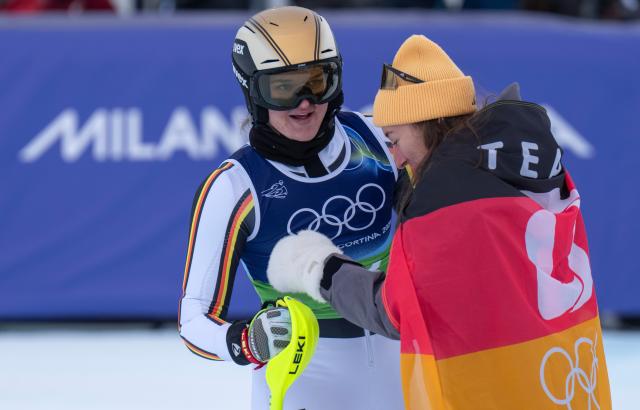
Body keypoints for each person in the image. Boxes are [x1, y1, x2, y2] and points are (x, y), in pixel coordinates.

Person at [267, 35, 612, 409]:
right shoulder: (524, 162)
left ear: (424, 122)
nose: (395, 158)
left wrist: (321, 267)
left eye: (394, 138)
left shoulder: (446, 198)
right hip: (569, 381)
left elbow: (397, 309)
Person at [178, 6, 404, 410]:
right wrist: (246, 342)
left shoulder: (377, 140)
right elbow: (194, 318)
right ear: (253, 92)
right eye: (283, 88)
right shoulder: (234, 187)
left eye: (318, 81)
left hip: (402, 357)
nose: (305, 103)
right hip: (304, 374)